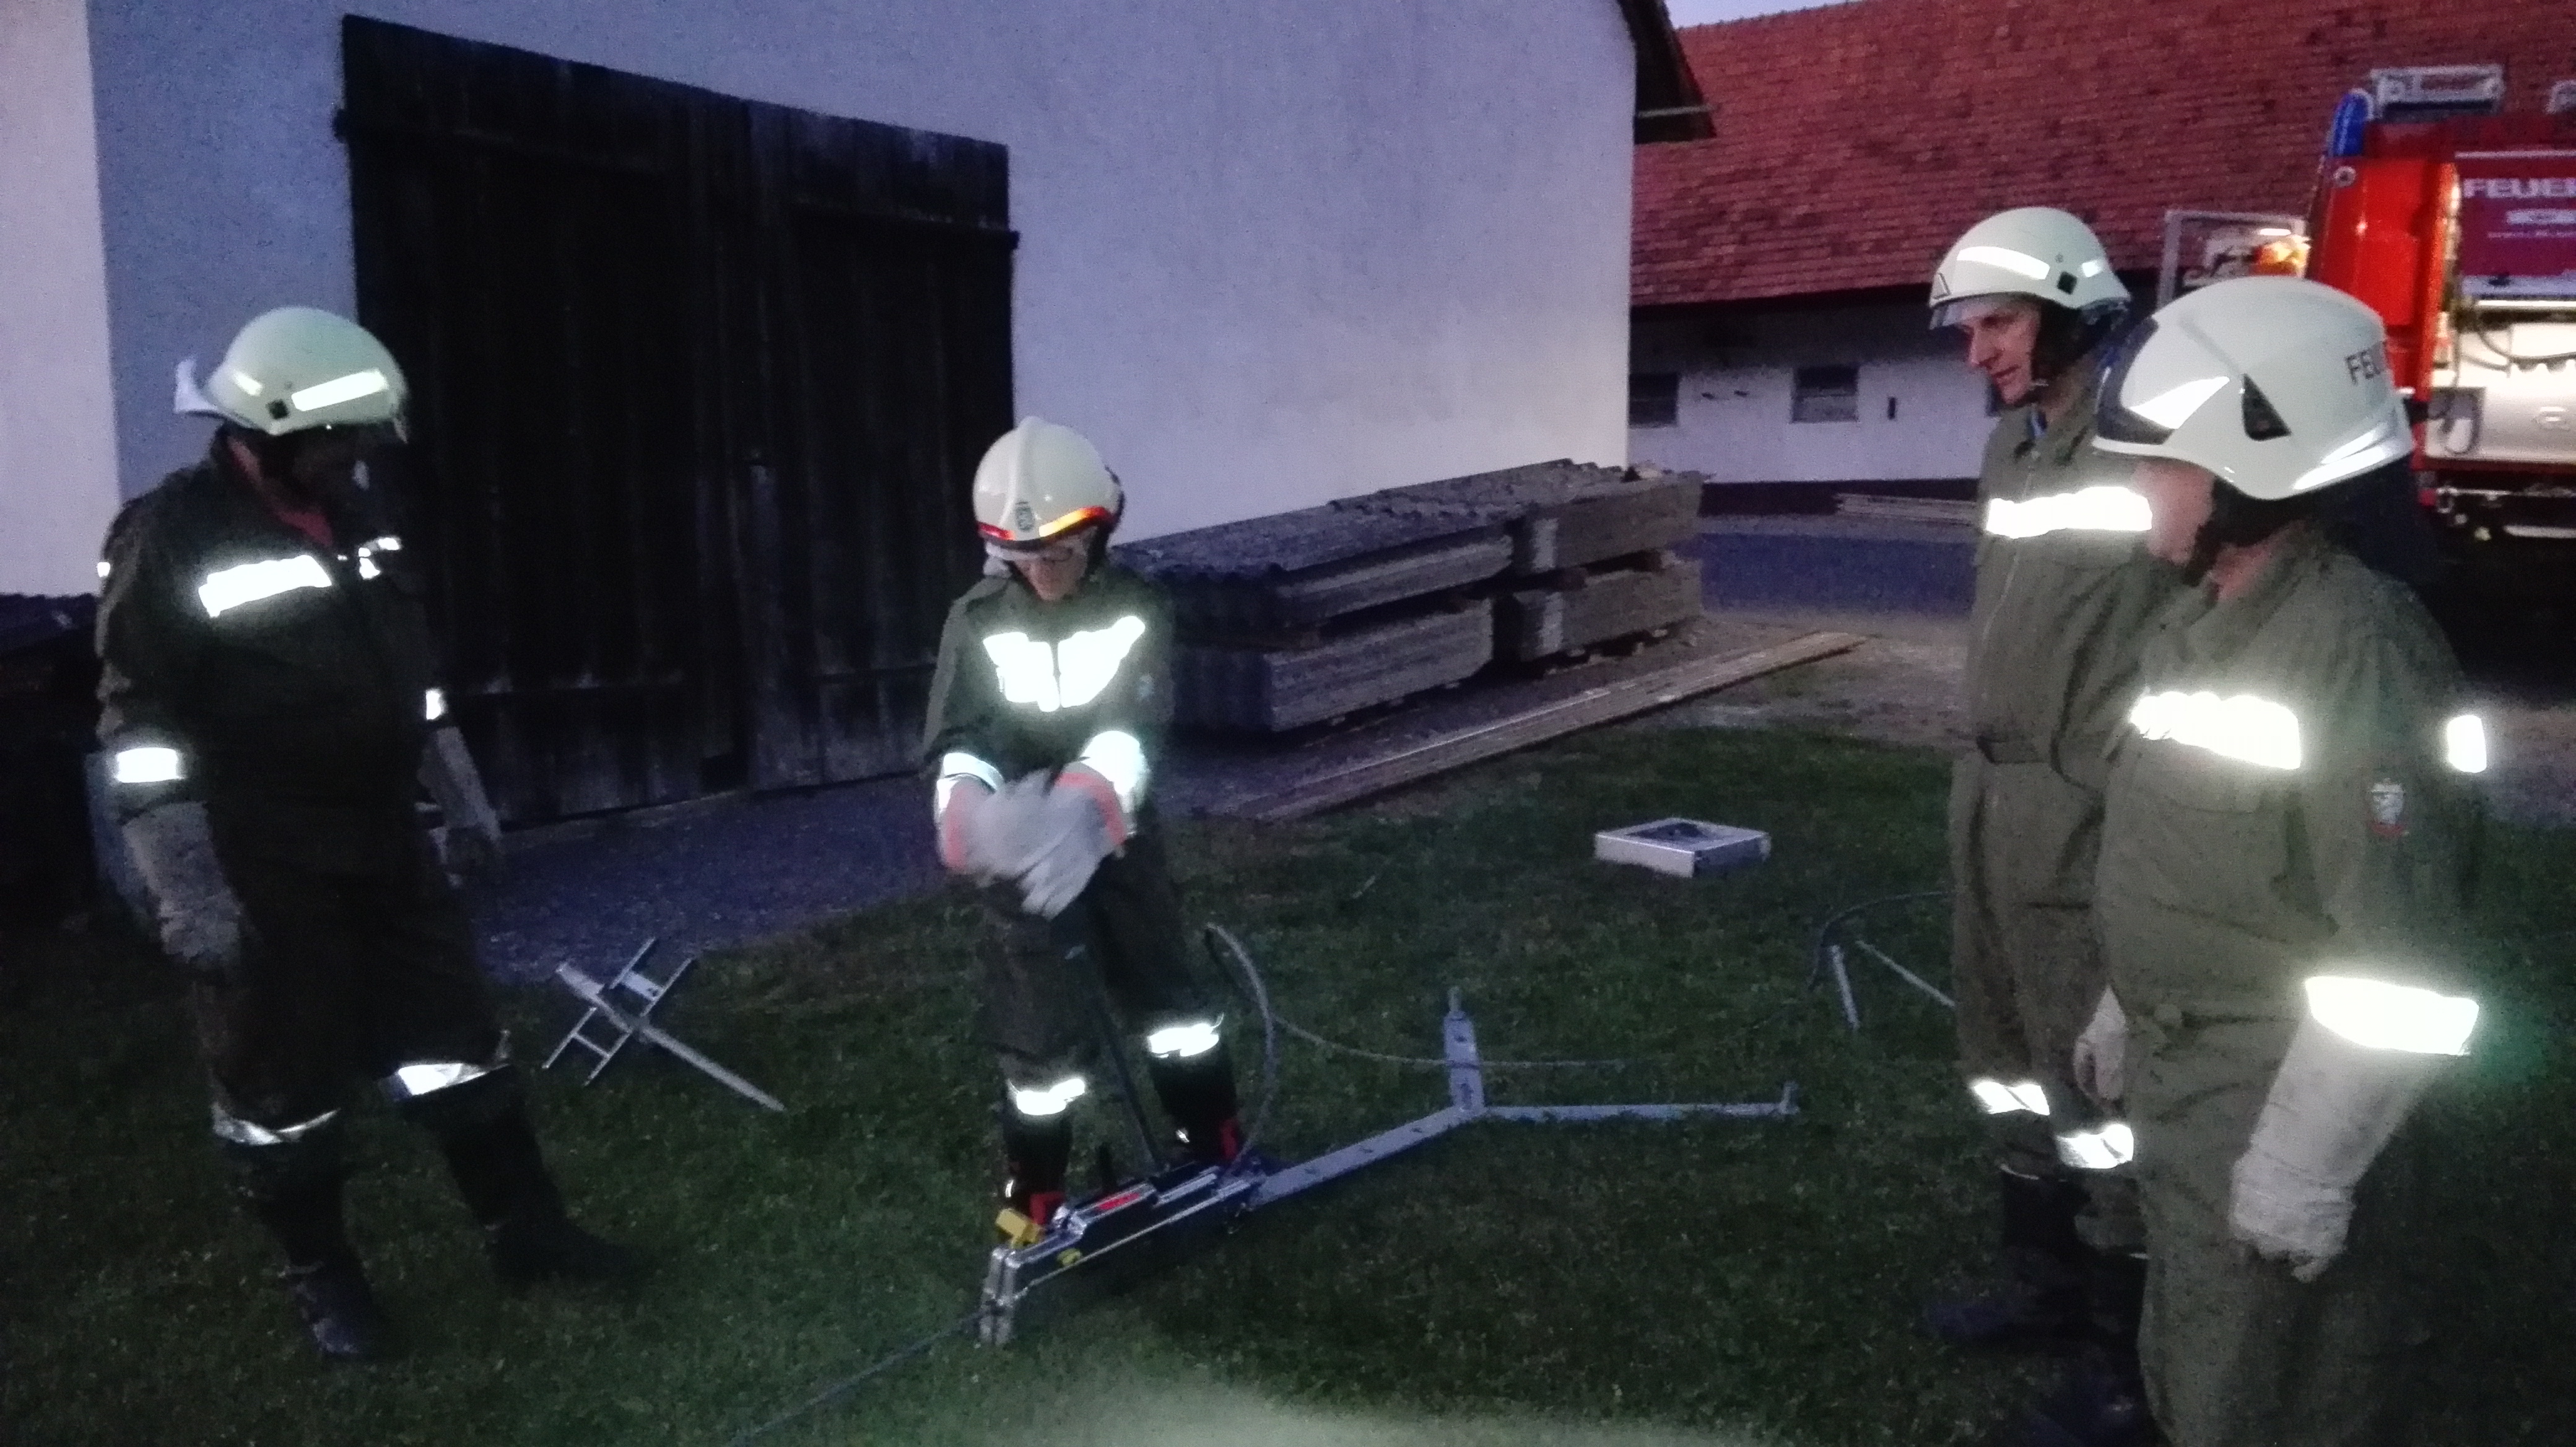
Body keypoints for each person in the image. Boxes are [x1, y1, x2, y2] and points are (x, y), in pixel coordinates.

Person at [97, 307, 634, 1362]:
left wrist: (459, 793)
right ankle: (326, 1286)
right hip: (259, 851)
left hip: (382, 832)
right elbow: (138, 729)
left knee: (456, 1040)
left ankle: (526, 1233)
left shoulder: (350, 516)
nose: (358, 456)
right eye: (341, 438)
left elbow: (408, 678)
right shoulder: (170, 535)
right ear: (273, 429)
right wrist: (188, 889)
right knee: (279, 1079)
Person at [2089, 274, 2486, 1446]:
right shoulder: (2199, 624)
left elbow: (2405, 959)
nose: (2137, 485)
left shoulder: (2357, 650)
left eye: (2159, 462)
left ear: (2250, 466)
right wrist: (2127, 993)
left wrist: (2307, 1163)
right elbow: (2193, 851)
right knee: (2198, 1355)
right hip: (2190, 1083)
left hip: (2274, 1101)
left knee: (2263, 1399)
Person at [1922, 209, 2177, 1432]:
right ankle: (2041, 1277)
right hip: (1988, 795)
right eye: (1967, 330)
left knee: (2094, 1078)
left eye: (2000, 324)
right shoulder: (2010, 450)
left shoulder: (2147, 450)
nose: (1977, 353)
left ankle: (2127, 1355)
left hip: (2083, 808)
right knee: (2002, 1052)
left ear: (2075, 312)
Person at [921, 417, 1246, 1243]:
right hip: (1021, 848)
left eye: (1060, 554)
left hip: (1116, 832)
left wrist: (1088, 804)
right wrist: (970, 814)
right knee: (1038, 1038)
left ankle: (1213, 1138)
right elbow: (961, 735)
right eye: (1024, 557)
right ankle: (1033, 1198)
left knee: (1172, 1003)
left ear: (1099, 532)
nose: (1044, 573)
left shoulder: (1137, 609)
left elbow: (1136, 724)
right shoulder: (977, 621)